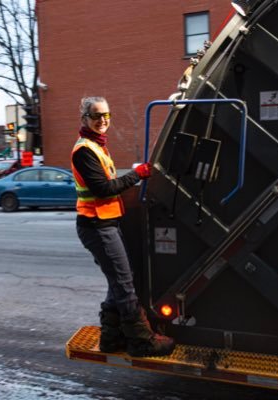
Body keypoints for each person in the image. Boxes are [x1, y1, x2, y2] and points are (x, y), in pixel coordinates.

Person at [71, 96, 175, 357]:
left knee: (116, 281)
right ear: (84, 119)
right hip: (97, 226)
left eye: (106, 115)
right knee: (124, 283)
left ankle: (111, 337)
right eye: (96, 116)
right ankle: (141, 341)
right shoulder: (84, 150)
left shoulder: (97, 146)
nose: (103, 120)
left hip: (106, 223)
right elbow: (103, 188)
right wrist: (137, 175)